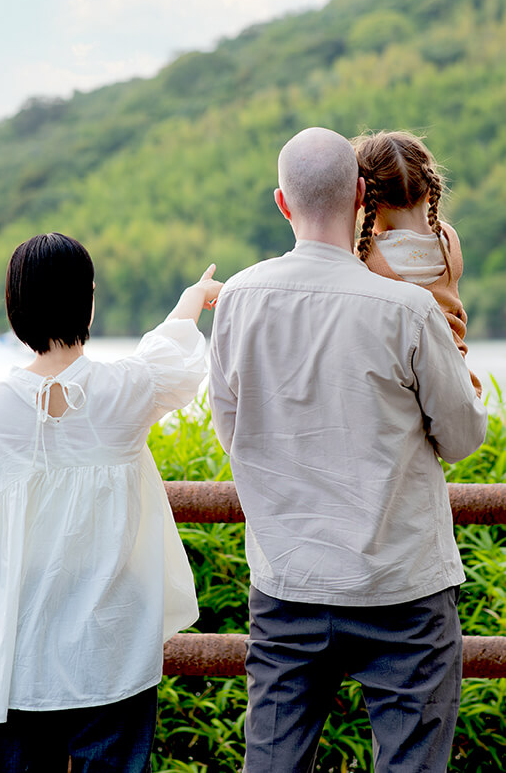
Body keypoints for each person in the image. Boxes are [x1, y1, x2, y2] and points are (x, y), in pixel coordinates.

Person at [209, 127, 487, 773]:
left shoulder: (237, 303)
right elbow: (464, 437)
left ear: (282, 203)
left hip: (288, 589)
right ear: (361, 195)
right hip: (404, 592)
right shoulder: (410, 311)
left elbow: (233, 434)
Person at [0, 232, 221, 773]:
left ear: (14, 305)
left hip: (14, 651)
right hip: (111, 648)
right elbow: (171, 353)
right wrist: (193, 299)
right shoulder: (126, 390)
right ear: (90, 300)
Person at [353, 128, 482, 396]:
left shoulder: (366, 257)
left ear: (366, 201)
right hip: (458, 377)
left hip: (402, 383)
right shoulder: (449, 240)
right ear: (429, 189)